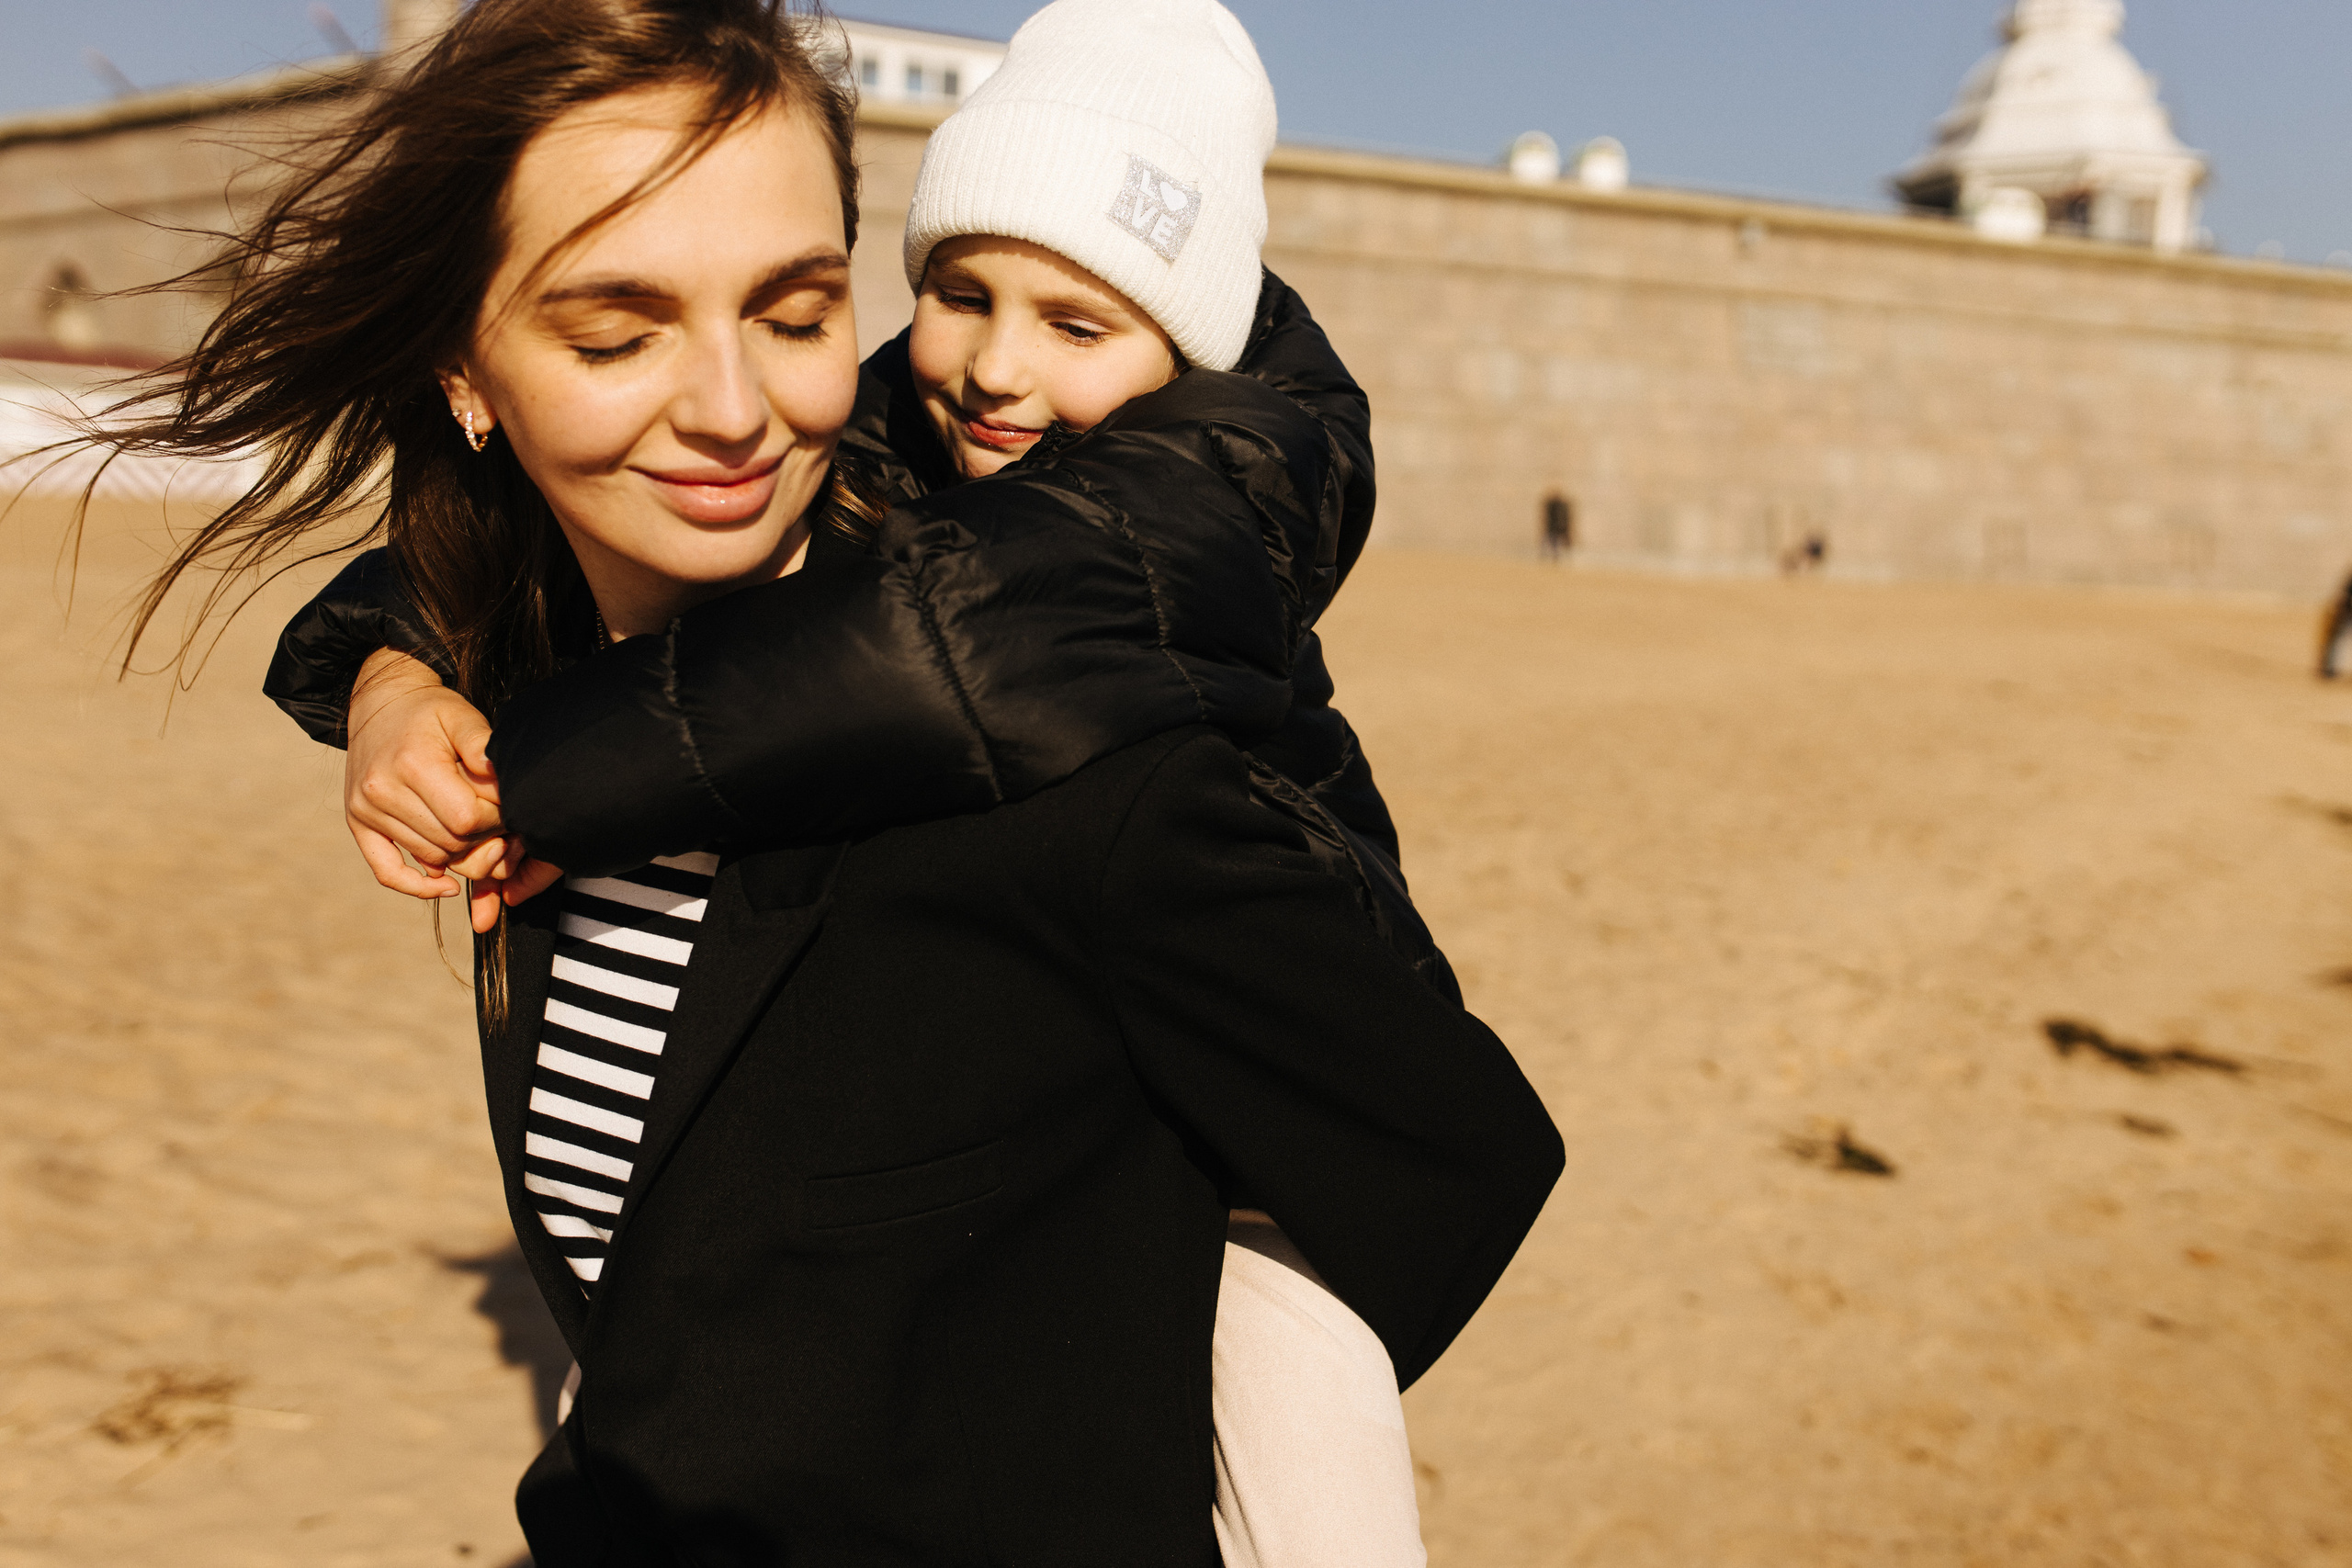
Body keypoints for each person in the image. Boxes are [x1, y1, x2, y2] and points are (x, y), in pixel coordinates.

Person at [88, 1, 1562, 1561]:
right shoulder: (512, 703)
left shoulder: (1060, 753)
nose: (733, 410)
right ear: (467, 369)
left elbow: (1451, 1151)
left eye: (790, 317)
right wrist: (393, 675)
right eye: (617, 333)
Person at [1541, 491, 1572, 561]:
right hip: (1553, 526)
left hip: (1559, 526)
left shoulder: (1561, 506)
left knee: (1558, 541)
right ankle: (1550, 554)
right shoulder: (1552, 506)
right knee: (1551, 540)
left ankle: (1562, 554)